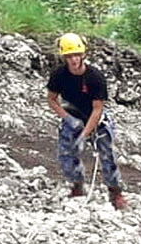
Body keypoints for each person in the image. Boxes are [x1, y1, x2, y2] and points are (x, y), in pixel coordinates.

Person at [47, 33, 127, 210]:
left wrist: (84, 134)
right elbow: (52, 99)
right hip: (72, 114)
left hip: (95, 118)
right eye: (69, 56)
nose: (73, 59)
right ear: (64, 57)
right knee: (66, 153)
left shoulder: (95, 77)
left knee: (107, 156)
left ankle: (115, 192)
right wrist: (67, 119)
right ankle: (77, 185)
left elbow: (98, 109)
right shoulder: (59, 75)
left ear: (83, 55)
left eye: (76, 55)